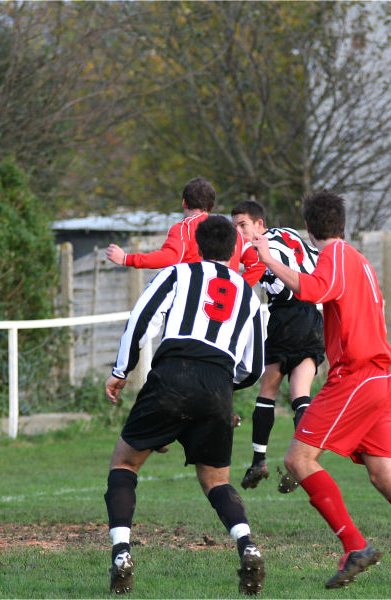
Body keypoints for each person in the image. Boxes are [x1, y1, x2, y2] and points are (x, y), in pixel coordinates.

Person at [251, 190, 391, 590]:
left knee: (298, 460)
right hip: (381, 379)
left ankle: (354, 545)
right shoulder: (360, 260)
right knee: (386, 475)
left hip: (357, 377)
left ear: (310, 227)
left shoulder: (335, 256)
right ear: (342, 223)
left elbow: (313, 290)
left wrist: (269, 259)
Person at [103, 215, 266, 595]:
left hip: (172, 375)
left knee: (125, 463)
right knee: (216, 481)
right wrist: (225, 389)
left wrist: (121, 370)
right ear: (236, 249)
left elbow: (141, 319)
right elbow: (254, 367)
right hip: (217, 387)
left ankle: (122, 554)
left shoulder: (179, 274)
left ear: (197, 242)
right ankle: (247, 544)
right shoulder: (248, 295)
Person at [230, 201, 325, 494]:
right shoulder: (288, 233)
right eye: (234, 226)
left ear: (259, 224)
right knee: (301, 394)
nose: (238, 231)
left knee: (268, 390)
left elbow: (245, 285)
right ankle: (303, 460)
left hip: (287, 315)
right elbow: (316, 259)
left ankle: (259, 461)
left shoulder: (257, 249)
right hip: (315, 315)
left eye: (243, 225)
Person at [106, 177, 264, 286]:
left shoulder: (184, 229)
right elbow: (258, 263)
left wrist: (127, 258)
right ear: (211, 207)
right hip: (226, 311)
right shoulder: (229, 230)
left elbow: (169, 258)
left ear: (184, 203)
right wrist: (238, 289)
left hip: (193, 306)